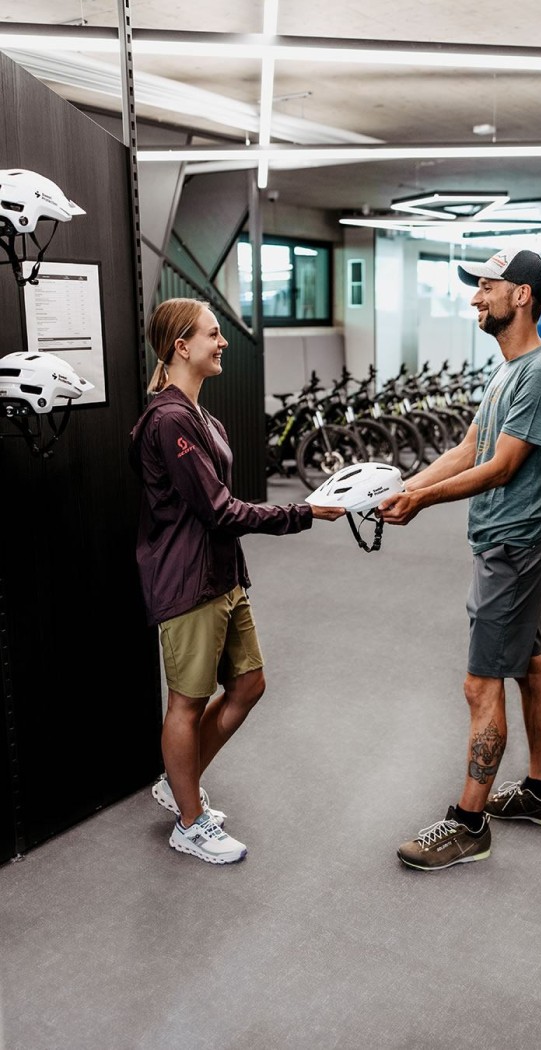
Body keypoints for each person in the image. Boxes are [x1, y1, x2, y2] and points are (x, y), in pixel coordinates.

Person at [378, 248, 541, 872]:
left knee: (480, 682)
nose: (475, 298)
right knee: (527, 662)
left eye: (486, 287)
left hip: (512, 547)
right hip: (509, 543)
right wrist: (407, 485)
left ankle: (470, 824)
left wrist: (424, 502)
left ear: (521, 295)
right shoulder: (508, 370)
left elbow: (503, 466)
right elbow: (472, 447)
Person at [129, 297, 343, 865]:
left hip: (223, 576)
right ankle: (189, 820)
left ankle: (180, 782)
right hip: (187, 582)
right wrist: (304, 512)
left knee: (249, 684)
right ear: (182, 346)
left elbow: (220, 511)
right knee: (186, 702)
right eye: (214, 334)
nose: (223, 343)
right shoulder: (170, 418)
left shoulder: (203, 417)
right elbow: (219, 510)